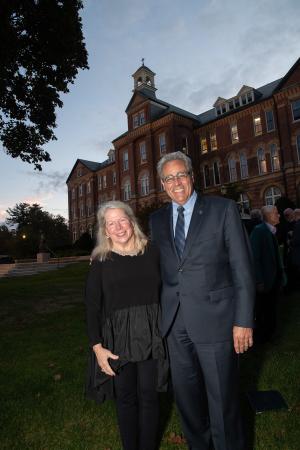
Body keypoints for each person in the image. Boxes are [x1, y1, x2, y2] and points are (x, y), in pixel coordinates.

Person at [149, 151, 255, 450]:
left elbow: (242, 268)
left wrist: (243, 320)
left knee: (223, 401)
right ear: (162, 184)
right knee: (187, 403)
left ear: (192, 176)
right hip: (175, 324)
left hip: (217, 322)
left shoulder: (222, 209)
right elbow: (153, 266)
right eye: (169, 178)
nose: (176, 182)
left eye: (181, 174)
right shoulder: (156, 221)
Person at [85, 200, 168, 450]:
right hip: (117, 337)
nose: (118, 227)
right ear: (105, 230)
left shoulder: (153, 251)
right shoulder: (100, 260)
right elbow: (91, 305)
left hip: (151, 332)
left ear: (131, 221)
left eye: (122, 220)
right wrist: (97, 347)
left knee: (149, 396)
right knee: (126, 398)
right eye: (111, 224)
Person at [250, 205, 285, 343]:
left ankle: (270, 335)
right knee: (264, 311)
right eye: (276, 213)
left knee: (271, 310)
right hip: (265, 281)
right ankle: (263, 339)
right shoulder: (259, 231)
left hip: (272, 279)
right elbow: (254, 258)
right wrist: (259, 281)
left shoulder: (270, 231)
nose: (279, 215)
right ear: (269, 216)